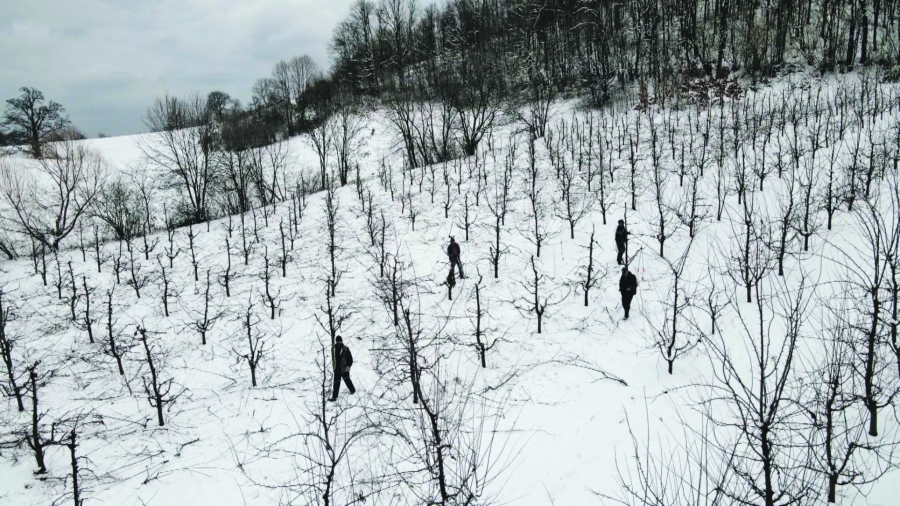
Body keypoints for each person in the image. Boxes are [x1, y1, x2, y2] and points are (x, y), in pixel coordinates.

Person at [329, 335, 355, 401]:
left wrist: (348, 366)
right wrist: (334, 367)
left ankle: (352, 390)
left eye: (340, 341)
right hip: (337, 369)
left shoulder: (345, 349)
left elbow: (350, 359)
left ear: (342, 341)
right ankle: (334, 397)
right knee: (336, 383)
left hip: (344, 368)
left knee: (347, 380)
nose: (338, 343)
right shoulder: (333, 348)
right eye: (337, 341)